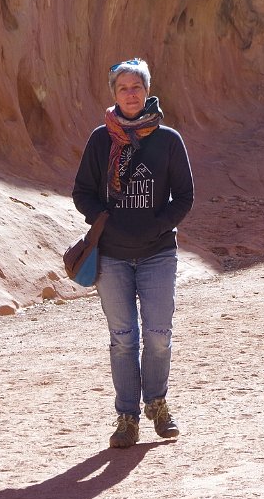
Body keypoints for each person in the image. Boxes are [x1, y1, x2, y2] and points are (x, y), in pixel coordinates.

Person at [72, 57, 195, 448]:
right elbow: (83, 193)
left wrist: (156, 225)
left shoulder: (168, 140)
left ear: (147, 90)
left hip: (158, 252)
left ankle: (157, 405)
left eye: (136, 87)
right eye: (123, 88)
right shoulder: (100, 140)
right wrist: (106, 220)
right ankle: (127, 417)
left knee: (158, 335)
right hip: (112, 255)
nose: (130, 94)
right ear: (114, 94)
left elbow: (185, 197)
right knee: (123, 337)